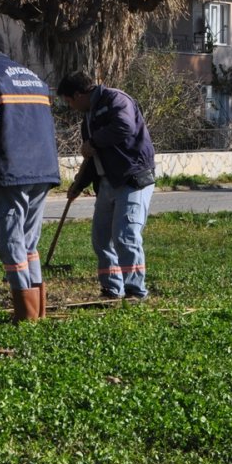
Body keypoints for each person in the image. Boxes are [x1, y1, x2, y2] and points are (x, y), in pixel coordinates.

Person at [0, 27, 60, 323]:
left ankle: (24, 311)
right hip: (43, 167)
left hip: (13, 165)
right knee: (29, 242)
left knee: (10, 242)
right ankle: (36, 307)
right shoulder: (33, 77)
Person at [57, 72, 156, 300]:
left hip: (133, 178)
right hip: (107, 182)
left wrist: (93, 142)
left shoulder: (116, 100)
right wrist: (78, 186)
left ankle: (135, 291)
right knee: (101, 238)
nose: (71, 107)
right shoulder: (88, 118)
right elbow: (92, 157)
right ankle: (112, 289)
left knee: (125, 235)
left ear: (79, 94)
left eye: (70, 101)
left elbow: (124, 127)